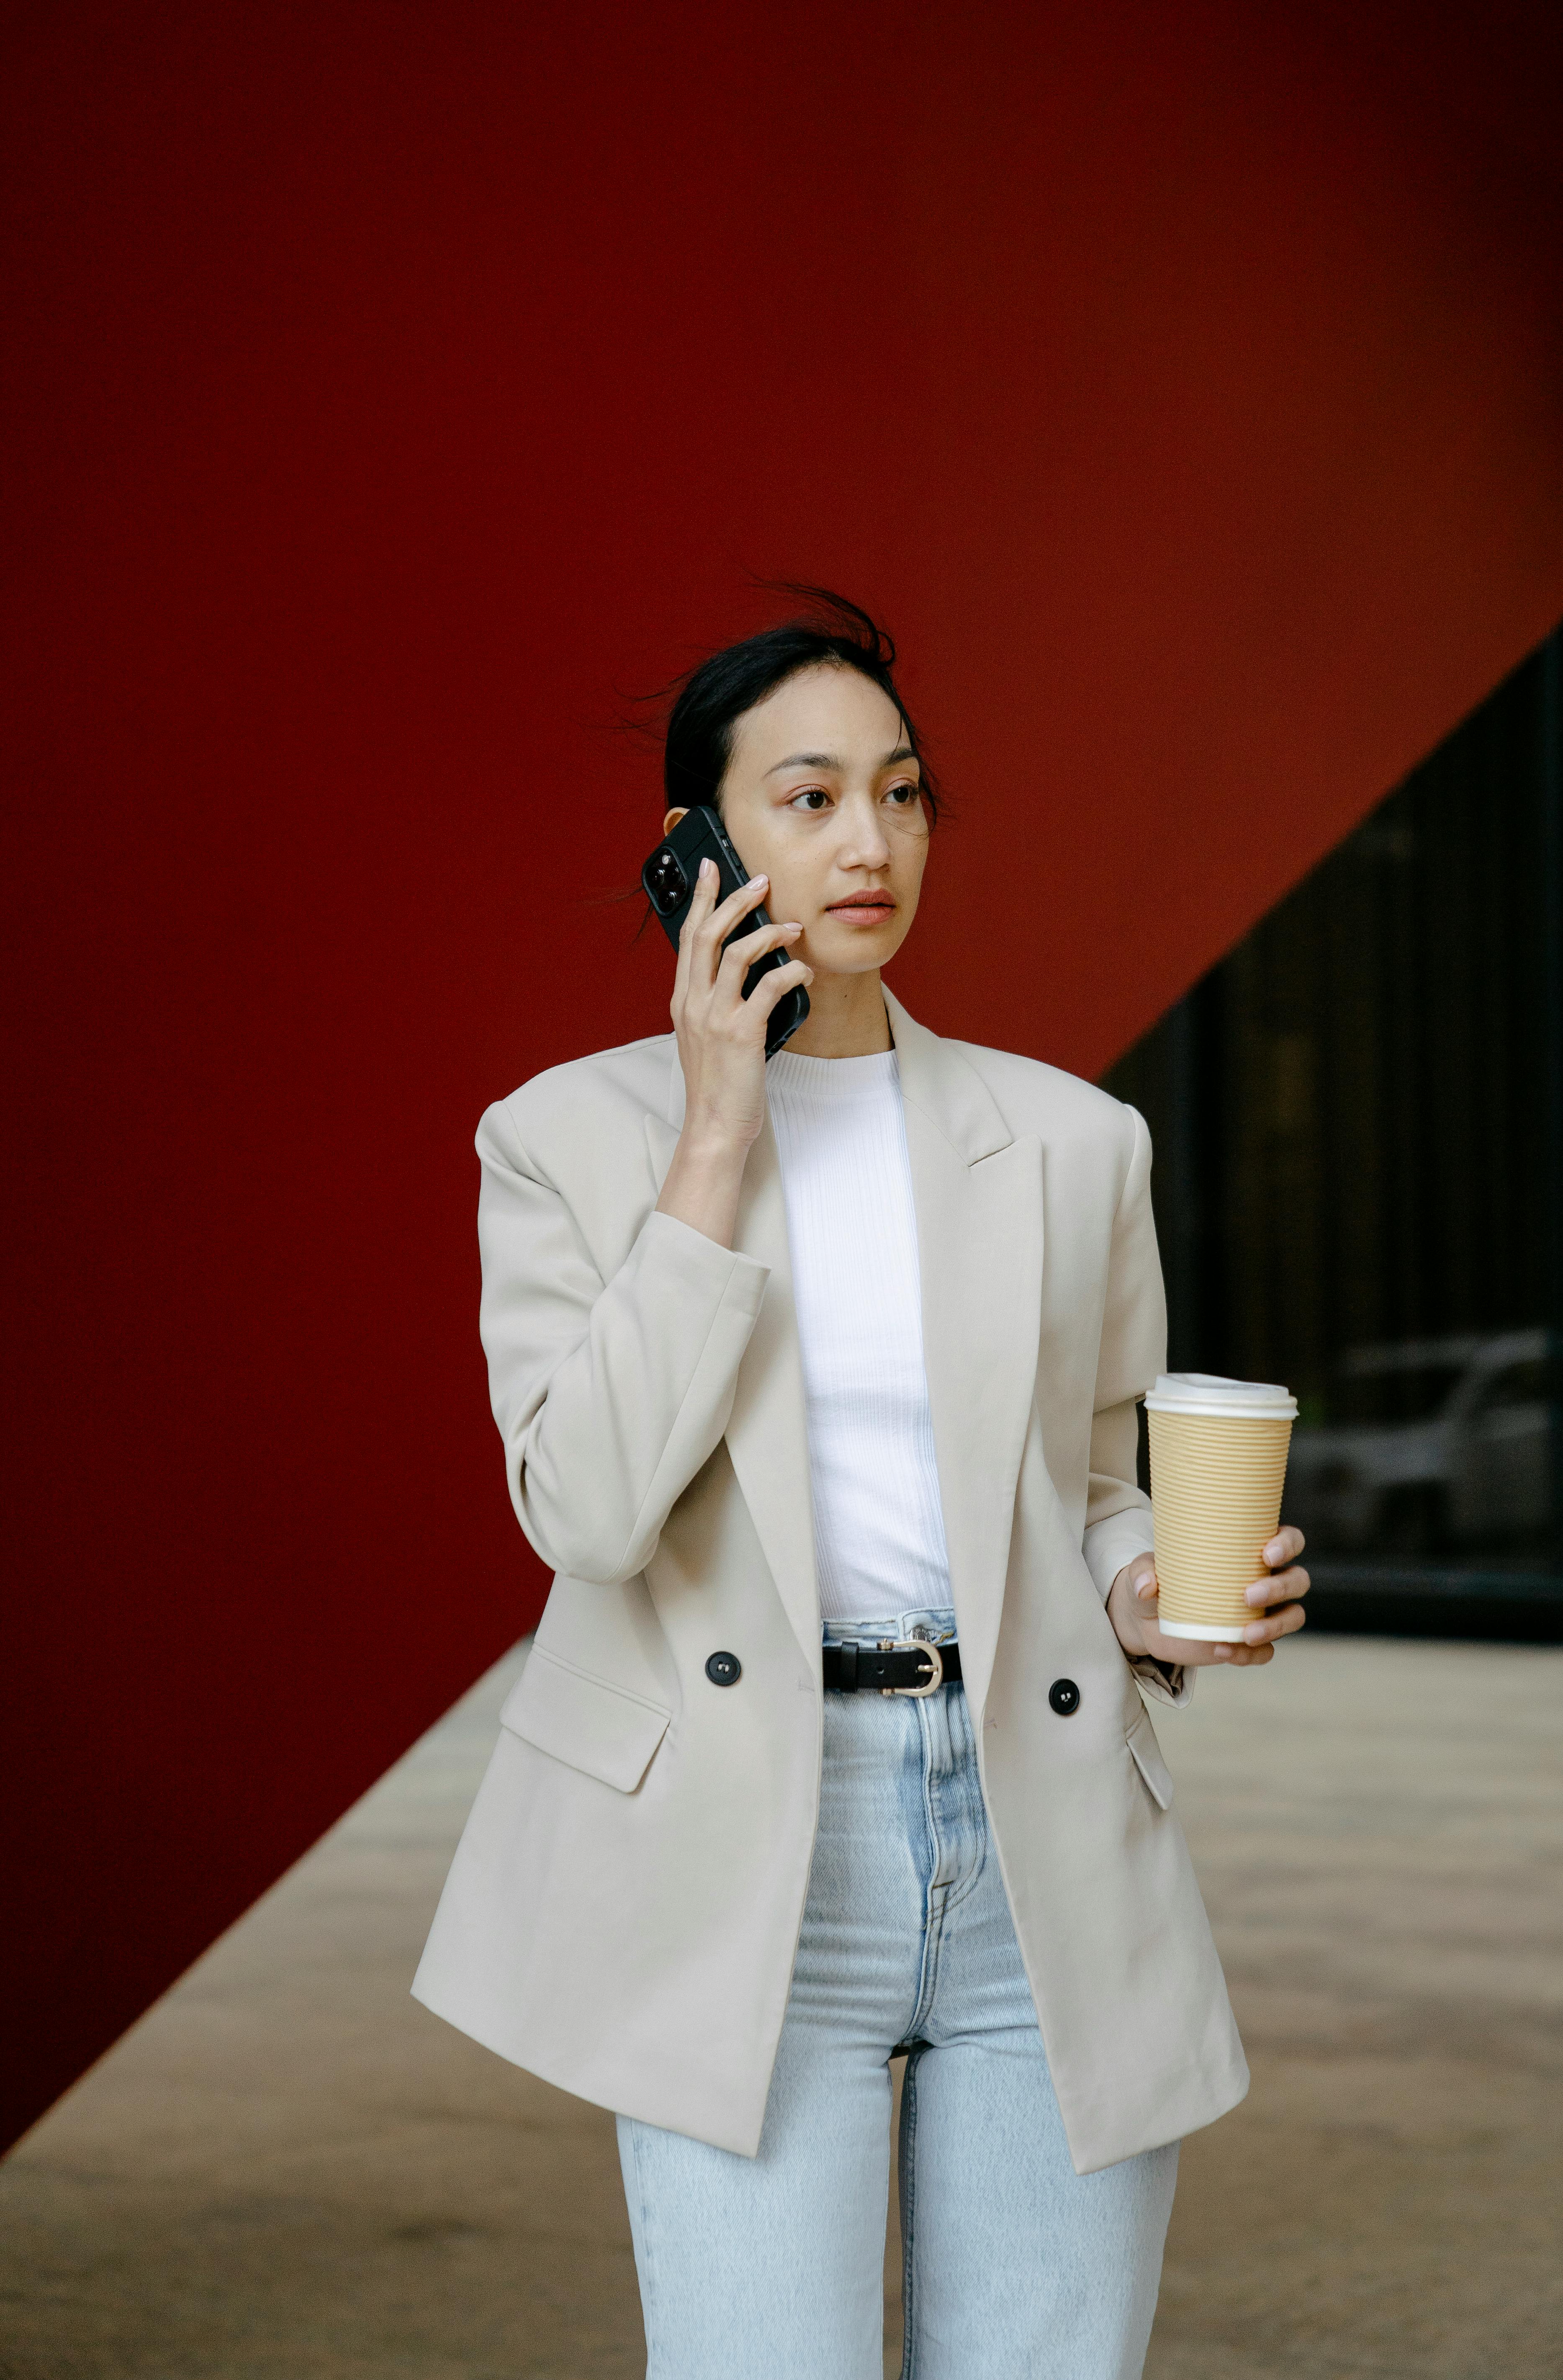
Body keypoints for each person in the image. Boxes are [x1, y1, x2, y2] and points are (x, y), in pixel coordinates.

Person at [413, 591, 1309, 2379]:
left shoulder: (1069, 1139)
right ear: (698, 853)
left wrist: (1145, 1586)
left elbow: (1095, 1475)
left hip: (1028, 1819)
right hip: (744, 1845)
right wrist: (719, 1132)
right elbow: (584, 1512)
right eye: (807, 797)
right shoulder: (567, 1142)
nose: (870, 842)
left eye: (899, 794)